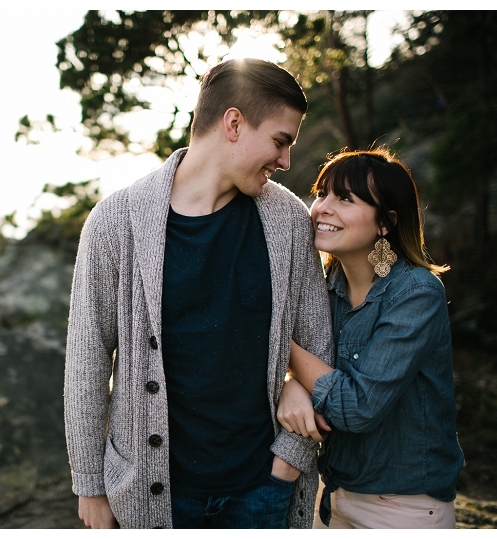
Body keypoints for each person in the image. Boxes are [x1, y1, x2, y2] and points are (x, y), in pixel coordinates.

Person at [63, 57, 334, 530]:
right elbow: (86, 362)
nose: (286, 161)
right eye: (279, 140)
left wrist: (288, 460)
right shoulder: (114, 223)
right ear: (233, 123)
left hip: (261, 489)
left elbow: (316, 340)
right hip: (152, 495)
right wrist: (89, 484)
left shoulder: (288, 221)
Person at [276, 148, 465, 529]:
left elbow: (357, 406)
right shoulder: (326, 288)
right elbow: (315, 372)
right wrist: (291, 386)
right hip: (338, 497)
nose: (322, 208)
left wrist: (283, 347)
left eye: (345, 198)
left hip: (405, 509)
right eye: (323, 192)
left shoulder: (415, 293)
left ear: (386, 223)